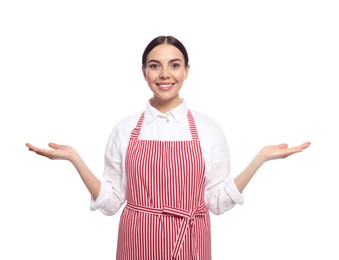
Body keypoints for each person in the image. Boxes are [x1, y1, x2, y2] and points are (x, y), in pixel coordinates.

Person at [26, 35, 311, 260]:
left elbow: (216, 202)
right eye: (155, 65)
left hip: (191, 241)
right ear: (143, 71)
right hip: (137, 241)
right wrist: (75, 158)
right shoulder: (124, 130)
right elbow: (112, 203)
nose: (165, 74)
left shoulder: (208, 130)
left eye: (174, 65)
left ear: (186, 71)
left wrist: (259, 159)